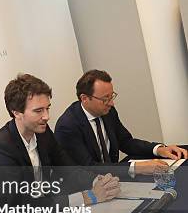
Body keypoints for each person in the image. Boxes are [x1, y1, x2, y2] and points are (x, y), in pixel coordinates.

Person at [0, 74, 121, 205]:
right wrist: (89, 197)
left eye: (47, 108)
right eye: (38, 111)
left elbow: (66, 166)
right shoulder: (1, 148)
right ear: (16, 112)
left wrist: (97, 181)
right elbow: (24, 204)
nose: (46, 116)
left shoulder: (42, 132)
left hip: (50, 208)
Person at [55, 70, 187, 176]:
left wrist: (159, 149)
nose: (111, 103)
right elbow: (89, 167)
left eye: (111, 96)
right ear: (84, 98)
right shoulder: (67, 126)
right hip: (87, 187)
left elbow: (125, 142)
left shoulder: (108, 111)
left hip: (113, 178)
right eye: (105, 99)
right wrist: (136, 168)